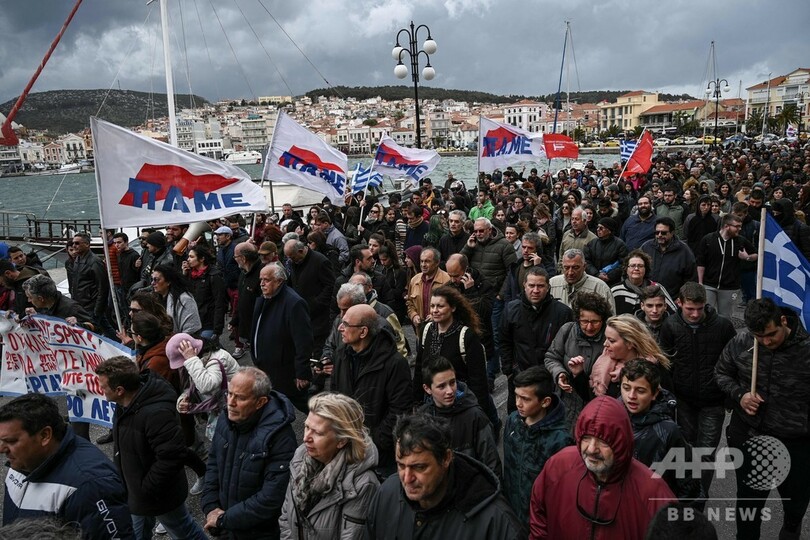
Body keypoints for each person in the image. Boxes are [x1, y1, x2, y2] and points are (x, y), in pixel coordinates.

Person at [715, 299, 810, 540]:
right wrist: (740, 395)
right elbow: (721, 372)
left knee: (795, 507)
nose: (766, 342)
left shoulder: (806, 349)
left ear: (783, 321)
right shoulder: (742, 342)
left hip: (797, 443)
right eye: (759, 336)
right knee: (749, 508)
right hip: (751, 438)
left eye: (771, 334)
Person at [529, 396, 675, 539]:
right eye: (586, 438)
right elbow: (538, 515)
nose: (591, 449)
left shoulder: (652, 492)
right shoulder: (559, 466)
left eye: (603, 441)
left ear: (620, 444)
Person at [95, 356, 207, 540]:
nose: (100, 390)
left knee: (185, 532)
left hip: (158, 496)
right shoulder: (124, 405)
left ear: (120, 390)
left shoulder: (156, 414)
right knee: (135, 534)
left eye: (103, 386)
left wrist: (145, 489)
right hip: (136, 493)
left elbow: (172, 456)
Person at [366, 414, 523, 539]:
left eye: (419, 467)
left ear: (446, 458)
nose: (407, 479)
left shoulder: (496, 522)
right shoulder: (387, 494)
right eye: (401, 465)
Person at [0, 393, 133, 538]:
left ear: (45, 435)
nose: (1, 449)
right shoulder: (21, 461)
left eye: (11, 441)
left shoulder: (91, 485)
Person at [658, 282, 735, 505]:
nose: (695, 314)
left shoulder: (722, 326)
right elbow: (666, 363)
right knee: (686, 448)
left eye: (699, 309)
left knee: (706, 452)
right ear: (679, 303)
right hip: (683, 401)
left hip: (713, 401)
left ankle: (700, 496)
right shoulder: (670, 326)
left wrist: (729, 395)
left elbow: (733, 360)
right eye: (690, 309)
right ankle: (688, 492)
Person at [202, 367, 298, 539]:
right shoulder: (226, 419)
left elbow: (272, 497)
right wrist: (210, 507)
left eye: (240, 398)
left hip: (260, 533)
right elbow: (214, 464)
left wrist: (224, 519)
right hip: (226, 526)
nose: (231, 402)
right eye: (229, 394)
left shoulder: (280, 438)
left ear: (260, 402)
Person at [279, 393, 380, 540]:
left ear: (341, 441)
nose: (306, 438)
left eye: (317, 433)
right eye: (306, 427)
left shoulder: (362, 484)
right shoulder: (299, 461)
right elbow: (285, 520)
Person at [332, 304, 411, 478]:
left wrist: (373, 440)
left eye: (346, 324)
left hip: (379, 455)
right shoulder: (341, 354)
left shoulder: (395, 364)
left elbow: (400, 410)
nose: (339, 328)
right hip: (346, 444)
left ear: (363, 332)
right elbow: (335, 395)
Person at [619, 360, 701, 502]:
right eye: (626, 388)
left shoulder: (668, 431)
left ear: (654, 393)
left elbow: (688, 481)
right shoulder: (612, 417)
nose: (631, 396)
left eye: (640, 391)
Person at [503, 366, 573, 524]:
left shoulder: (560, 441)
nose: (518, 403)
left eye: (525, 399)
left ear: (545, 402)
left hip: (538, 521)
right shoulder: (513, 421)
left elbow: (561, 491)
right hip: (511, 513)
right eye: (516, 396)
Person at [502, 266, 574, 413]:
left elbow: (568, 347)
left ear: (548, 287)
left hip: (550, 377)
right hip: (520, 374)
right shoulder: (511, 309)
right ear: (524, 285)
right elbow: (504, 340)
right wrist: (509, 369)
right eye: (531, 285)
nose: (535, 290)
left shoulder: (563, 312)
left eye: (540, 286)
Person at [417, 356, 501, 479]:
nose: (450, 391)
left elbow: (491, 464)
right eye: (442, 386)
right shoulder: (422, 419)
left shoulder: (475, 416)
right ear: (427, 388)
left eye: (452, 382)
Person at [413, 286, 489, 412]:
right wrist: (416, 402)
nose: (435, 310)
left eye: (440, 306)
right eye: (432, 306)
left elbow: (478, 380)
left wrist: (479, 410)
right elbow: (419, 368)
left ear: (453, 308)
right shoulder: (426, 330)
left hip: (459, 403)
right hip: (430, 402)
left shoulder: (466, 336)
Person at [544, 291, 613, 430]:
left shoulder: (610, 339)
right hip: (566, 405)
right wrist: (560, 373)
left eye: (595, 322)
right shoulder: (567, 330)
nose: (589, 327)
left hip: (596, 407)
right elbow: (551, 357)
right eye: (584, 321)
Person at [251, 262, 313, 413]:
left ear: (279, 281)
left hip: (285, 371)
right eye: (261, 280)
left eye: (266, 280)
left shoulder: (294, 303)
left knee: (306, 404)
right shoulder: (265, 298)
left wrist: (302, 372)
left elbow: (303, 341)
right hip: (266, 367)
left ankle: (330, 423)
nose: (262, 284)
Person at [582, 314, 671, 399]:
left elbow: (666, 401)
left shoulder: (653, 368)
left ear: (630, 343)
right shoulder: (602, 361)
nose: (605, 344)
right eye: (606, 338)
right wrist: (579, 375)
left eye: (611, 341)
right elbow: (590, 398)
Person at [696, 213, 757, 318]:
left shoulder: (740, 241)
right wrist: (700, 282)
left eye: (740, 226)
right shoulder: (708, 239)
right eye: (737, 226)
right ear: (726, 226)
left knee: (725, 317)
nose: (739, 229)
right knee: (705, 314)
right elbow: (701, 262)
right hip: (709, 284)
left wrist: (747, 257)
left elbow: (757, 255)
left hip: (730, 287)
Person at [284, 238, 336, 357]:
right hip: (300, 313)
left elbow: (330, 286)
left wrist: (316, 303)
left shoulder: (320, 261)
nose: (291, 260)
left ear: (301, 251)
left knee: (317, 349)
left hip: (318, 316)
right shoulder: (294, 262)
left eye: (292, 257)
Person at [67, 232, 113, 338]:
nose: (74, 246)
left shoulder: (95, 262)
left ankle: (118, 344)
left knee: (92, 332)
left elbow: (103, 287)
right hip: (81, 304)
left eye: (77, 243)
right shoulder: (78, 259)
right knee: (105, 327)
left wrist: (98, 309)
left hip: (91, 306)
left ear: (87, 244)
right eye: (73, 243)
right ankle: (119, 343)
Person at [640, 217, 697, 299]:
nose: (659, 235)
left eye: (663, 233)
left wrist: (681, 299)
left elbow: (691, 280)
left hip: (673, 299)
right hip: (647, 298)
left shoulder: (684, 251)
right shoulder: (646, 247)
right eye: (657, 232)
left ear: (672, 233)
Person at [549, 248, 616, 313]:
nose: (570, 272)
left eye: (575, 268)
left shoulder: (600, 287)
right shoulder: (552, 284)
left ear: (584, 266)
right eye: (566, 268)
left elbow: (610, 317)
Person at [611, 250, 675, 316]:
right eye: (632, 265)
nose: (636, 268)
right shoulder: (616, 290)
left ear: (645, 269)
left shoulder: (656, 288)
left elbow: (673, 311)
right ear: (626, 269)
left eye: (640, 266)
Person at [182, 244, 226, 340]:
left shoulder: (213, 276)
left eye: (192, 257)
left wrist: (217, 329)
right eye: (188, 257)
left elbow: (220, 302)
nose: (188, 260)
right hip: (194, 322)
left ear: (202, 259)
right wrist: (184, 275)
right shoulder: (191, 275)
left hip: (208, 323)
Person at [405, 247, 451, 330]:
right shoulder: (414, 280)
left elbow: (452, 305)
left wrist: (436, 315)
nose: (423, 265)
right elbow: (410, 302)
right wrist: (413, 315)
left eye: (427, 261)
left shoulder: (447, 280)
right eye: (421, 261)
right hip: (421, 330)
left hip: (442, 329)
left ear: (437, 262)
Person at [151, 263, 202, 335]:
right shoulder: (155, 299)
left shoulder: (184, 299)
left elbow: (191, 329)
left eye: (156, 280)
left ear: (168, 282)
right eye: (152, 279)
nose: (152, 283)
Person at [230, 241, 261, 359]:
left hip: (259, 330)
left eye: (235, 257)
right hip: (247, 328)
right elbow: (241, 299)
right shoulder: (243, 274)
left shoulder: (262, 274)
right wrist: (235, 320)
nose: (235, 259)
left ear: (243, 258)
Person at [584, 217, 629, 287]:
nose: (598, 230)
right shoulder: (592, 244)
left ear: (609, 230)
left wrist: (610, 276)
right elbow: (586, 261)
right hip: (593, 280)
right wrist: (596, 274)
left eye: (601, 228)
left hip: (612, 282)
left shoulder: (620, 245)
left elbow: (624, 264)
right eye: (597, 227)